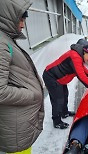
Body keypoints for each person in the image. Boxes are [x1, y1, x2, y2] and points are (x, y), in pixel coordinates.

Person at [0, 0, 44, 153]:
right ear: (8, 15)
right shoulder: (2, 44)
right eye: (21, 18)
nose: (23, 24)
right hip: (15, 128)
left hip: (19, 124)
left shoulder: (7, 40)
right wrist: (33, 95)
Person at [43, 44, 88, 129]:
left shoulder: (79, 56)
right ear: (85, 52)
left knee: (65, 94)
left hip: (60, 78)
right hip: (51, 76)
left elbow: (81, 67)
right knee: (58, 99)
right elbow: (80, 75)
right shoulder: (75, 56)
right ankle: (56, 121)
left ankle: (64, 112)